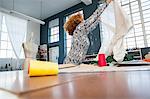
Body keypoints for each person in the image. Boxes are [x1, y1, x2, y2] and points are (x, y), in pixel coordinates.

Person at [63, 0, 112, 65]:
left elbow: (93, 23)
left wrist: (103, 12)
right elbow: (93, 17)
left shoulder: (81, 31)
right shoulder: (79, 28)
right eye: (82, 19)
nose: (84, 20)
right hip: (69, 63)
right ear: (78, 21)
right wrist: (106, 4)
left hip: (74, 64)